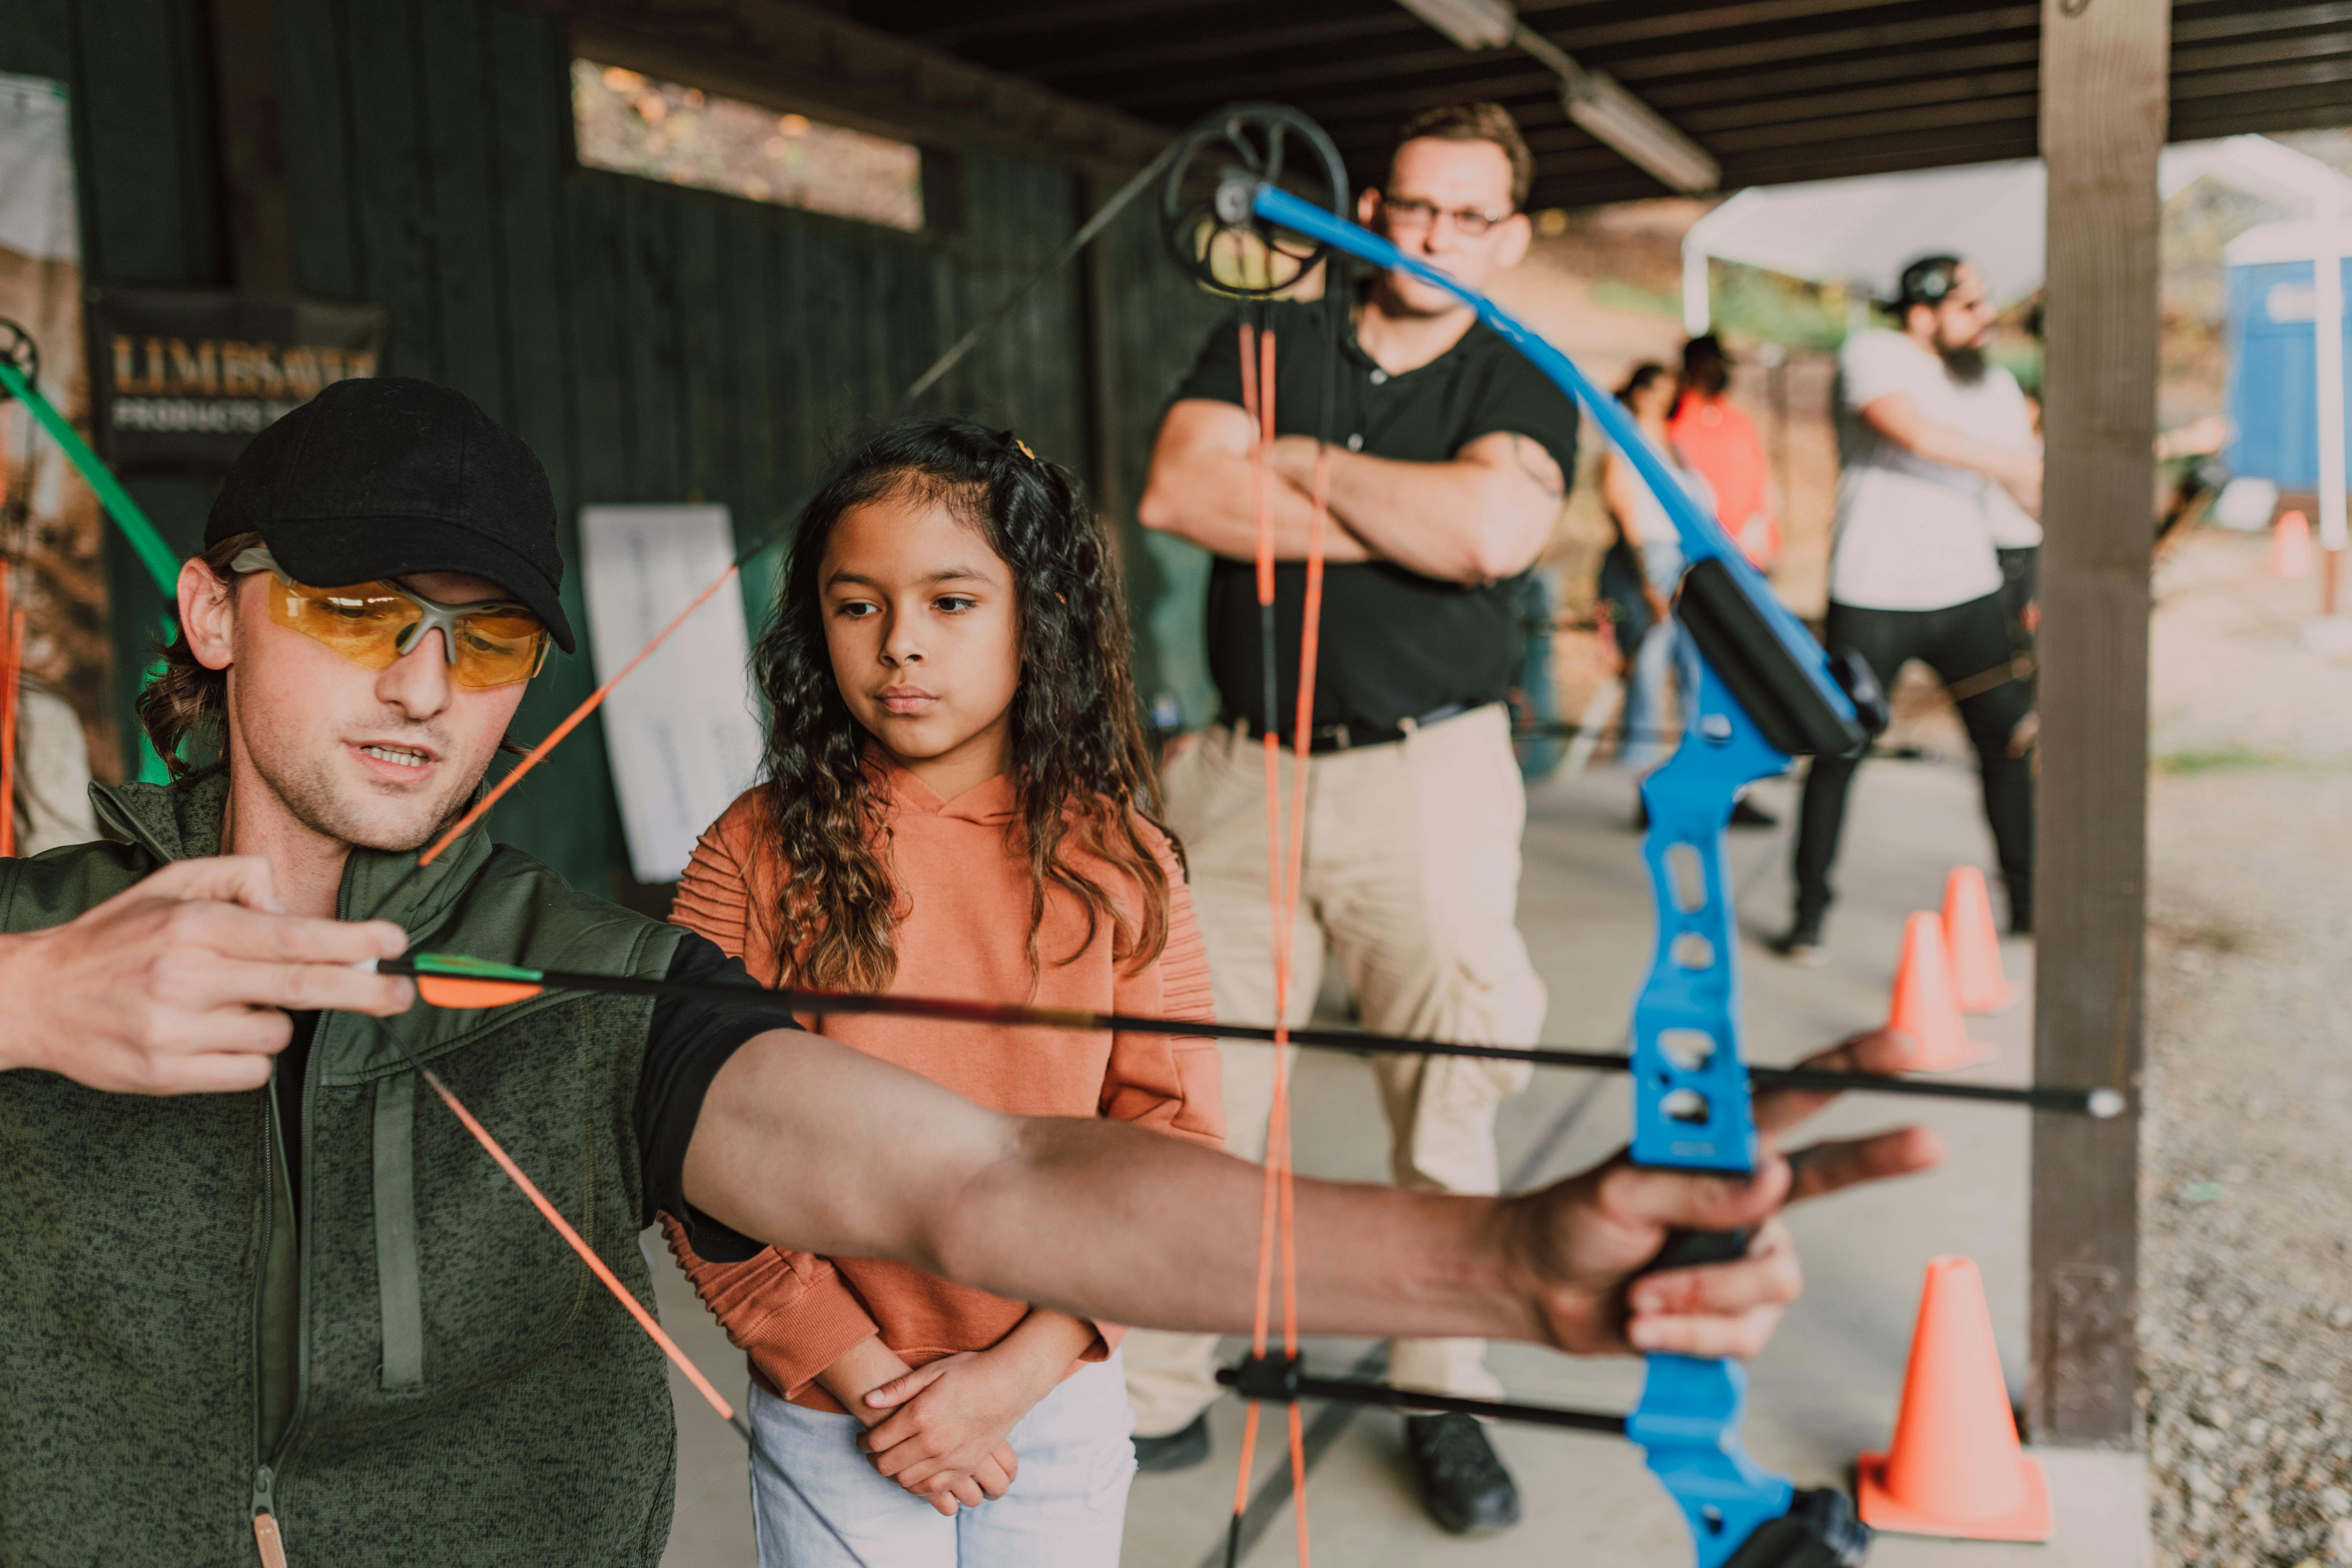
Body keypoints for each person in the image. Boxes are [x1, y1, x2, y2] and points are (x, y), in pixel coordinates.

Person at [0, 376, 1940, 1562]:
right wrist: (18, 1003)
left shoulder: (587, 978)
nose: (424, 688)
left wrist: (1496, 1263)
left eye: (485, 638)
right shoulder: (23, 926)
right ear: (209, 606)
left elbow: (989, 1177)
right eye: (357, 612)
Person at [660, 420, 1223, 1564]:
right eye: (857, 604)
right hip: (830, 1396)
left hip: (1053, 1393)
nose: (900, 646)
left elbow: (1176, 1143)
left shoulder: (1124, 860)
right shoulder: (750, 852)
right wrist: (866, 1380)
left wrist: (1013, 1376)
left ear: (1038, 617)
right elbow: (692, 1146)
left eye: (952, 603)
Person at [1129, 100, 1576, 1535]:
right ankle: (1162, 1377)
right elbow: (1177, 487)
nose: (1431, 237)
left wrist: (1298, 464)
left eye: (1466, 217)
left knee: (1448, 1100)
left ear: (1504, 235)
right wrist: (1398, 506)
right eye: (1411, 208)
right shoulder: (1269, 337)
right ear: (1368, 208)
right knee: (1190, 1097)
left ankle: (1443, 1395)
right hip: (1237, 772)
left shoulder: (1524, 374)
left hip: (1424, 781)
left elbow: (1489, 537)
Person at [1779, 256, 2041, 964]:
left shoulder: (1993, 383)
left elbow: (2030, 490)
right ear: (1923, 313)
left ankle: (2028, 902)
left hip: (1969, 594)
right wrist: (2019, 464)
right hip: (1874, 595)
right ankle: (1808, 915)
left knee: (2010, 745)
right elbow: (1912, 432)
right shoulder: (1875, 353)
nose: (1987, 317)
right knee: (1839, 750)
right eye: (1970, 305)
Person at [1604, 363, 1710, 783]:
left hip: (1685, 561)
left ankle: (1695, 761)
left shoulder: (1674, 447)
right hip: (1647, 560)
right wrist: (1646, 580)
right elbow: (1624, 514)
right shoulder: (1622, 448)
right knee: (1648, 666)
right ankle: (1643, 771)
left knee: (1694, 667)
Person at [1668, 334, 1780, 572]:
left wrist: (1763, 530)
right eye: (1714, 363)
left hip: (1751, 554)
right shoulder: (1674, 425)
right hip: (1705, 559)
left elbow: (1764, 480)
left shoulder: (1739, 422)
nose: (1721, 371)